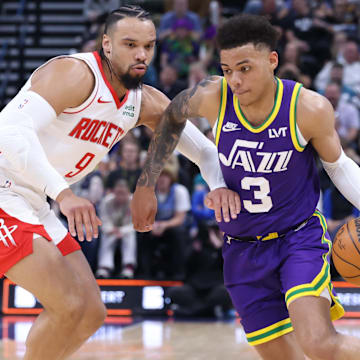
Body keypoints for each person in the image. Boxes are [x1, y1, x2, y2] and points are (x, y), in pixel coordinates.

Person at [0, 5, 238, 359]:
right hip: (6, 192)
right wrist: (64, 194)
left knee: (92, 313)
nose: (141, 55)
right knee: (67, 305)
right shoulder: (75, 74)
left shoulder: (144, 102)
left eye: (148, 45)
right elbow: (9, 131)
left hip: (36, 201)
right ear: (107, 44)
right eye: (130, 44)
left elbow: (204, 151)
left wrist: (217, 186)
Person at [132, 13, 360, 360]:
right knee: (280, 356)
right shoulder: (214, 96)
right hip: (240, 248)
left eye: (244, 68)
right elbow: (171, 115)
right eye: (226, 70)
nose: (235, 80)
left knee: (319, 343)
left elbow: (339, 167)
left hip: (297, 238)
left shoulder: (307, 108)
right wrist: (147, 184)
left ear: (272, 61)